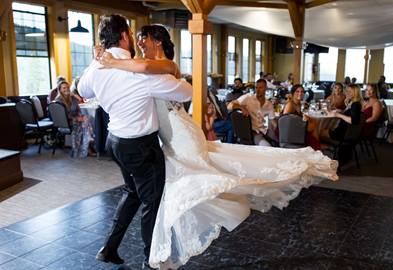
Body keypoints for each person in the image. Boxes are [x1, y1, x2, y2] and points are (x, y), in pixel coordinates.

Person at [97, 23, 338, 269]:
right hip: (169, 138)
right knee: (170, 192)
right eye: (136, 38)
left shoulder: (164, 65)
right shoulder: (140, 66)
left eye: (143, 38)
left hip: (181, 137)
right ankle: (147, 252)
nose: (139, 43)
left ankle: (154, 254)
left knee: (194, 183)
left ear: (157, 41)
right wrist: (108, 60)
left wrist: (112, 62)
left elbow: (156, 74)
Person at [78, 16, 192, 270]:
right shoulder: (140, 71)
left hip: (115, 143)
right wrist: (174, 73)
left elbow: (83, 90)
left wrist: (95, 62)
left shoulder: (97, 67)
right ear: (126, 35)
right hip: (141, 146)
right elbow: (186, 93)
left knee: (132, 193)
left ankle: (108, 249)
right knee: (153, 202)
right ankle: (151, 262)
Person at [228, 79, 275, 146]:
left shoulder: (269, 104)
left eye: (260, 87)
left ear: (266, 88)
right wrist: (241, 107)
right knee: (267, 146)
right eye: (256, 87)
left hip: (264, 131)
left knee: (280, 141)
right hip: (253, 132)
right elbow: (229, 105)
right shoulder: (248, 97)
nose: (258, 90)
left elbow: (272, 121)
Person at [54, 80, 94, 158]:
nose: (66, 89)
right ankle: (88, 145)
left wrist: (81, 116)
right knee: (84, 124)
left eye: (68, 87)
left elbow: (79, 108)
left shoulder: (71, 98)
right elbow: (63, 116)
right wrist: (77, 118)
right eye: (64, 88)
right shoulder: (59, 100)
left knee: (87, 119)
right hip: (66, 122)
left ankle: (87, 144)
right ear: (60, 90)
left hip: (74, 119)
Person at [282, 84, 323, 150]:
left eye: (302, 92)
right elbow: (284, 121)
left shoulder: (298, 104)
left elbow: (297, 117)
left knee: (313, 121)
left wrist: (305, 118)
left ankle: (316, 145)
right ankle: (317, 147)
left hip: (295, 127)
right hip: (288, 131)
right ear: (293, 93)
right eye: (297, 91)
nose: (300, 93)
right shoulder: (290, 104)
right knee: (313, 126)